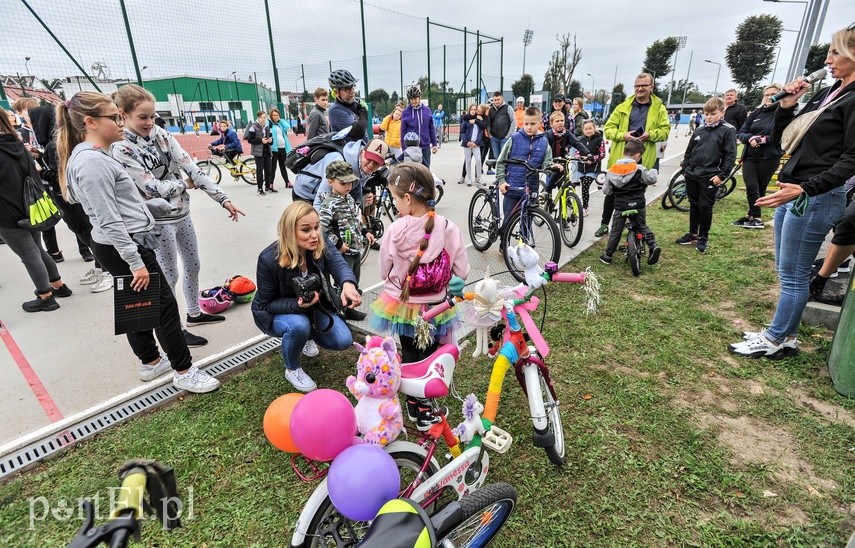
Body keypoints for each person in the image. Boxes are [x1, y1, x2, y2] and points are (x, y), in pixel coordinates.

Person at [57, 92, 220, 393]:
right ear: (90, 122)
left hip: (121, 241)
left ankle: (150, 361)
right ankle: (184, 370)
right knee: (164, 307)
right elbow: (109, 219)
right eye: (113, 117)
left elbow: (121, 204)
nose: (120, 122)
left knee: (137, 304)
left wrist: (154, 208)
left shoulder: (96, 154)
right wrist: (135, 262)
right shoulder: (91, 162)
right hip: (124, 244)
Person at [729, 25, 855, 359]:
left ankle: (776, 339)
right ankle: (786, 332)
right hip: (796, 191)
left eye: (835, 52)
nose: (827, 59)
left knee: (795, 274)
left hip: (814, 194)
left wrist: (806, 187)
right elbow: (782, 136)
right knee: (788, 271)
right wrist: (787, 105)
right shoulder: (830, 92)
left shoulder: (854, 99)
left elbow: (852, 157)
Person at [112, 84, 245, 348]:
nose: (150, 122)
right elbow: (150, 187)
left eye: (152, 116)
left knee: (193, 264)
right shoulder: (121, 148)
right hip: (156, 222)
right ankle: (175, 330)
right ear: (123, 114)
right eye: (142, 117)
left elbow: (192, 169)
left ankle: (194, 313)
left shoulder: (162, 135)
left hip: (182, 214)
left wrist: (223, 199)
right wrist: (183, 184)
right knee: (168, 277)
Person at [368, 163, 470, 428]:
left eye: (393, 197)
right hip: (437, 304)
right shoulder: (448, 227)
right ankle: (423, 403)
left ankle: (415, 406)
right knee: (431, 353)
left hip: (404, 305)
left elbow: (383, 272)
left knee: (411, 352)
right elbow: (463, 270)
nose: (394, 204)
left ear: (407, 199)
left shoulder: (394, 231)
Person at [252, 201, 362, 392]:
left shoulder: (320, 240)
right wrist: (299, 305)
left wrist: (347, 283)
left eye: (317, 227)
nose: (314, 235)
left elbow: (338, 263)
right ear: (289, 231)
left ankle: (307, 336)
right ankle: (292, 368)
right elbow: (268, 303)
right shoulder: (268, 259)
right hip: (274, 312)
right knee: (298, 325)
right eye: (306, 229)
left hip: (312, 305)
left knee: (342, 340)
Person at [0, 106, 72, 312]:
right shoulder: (16, 144)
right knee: (37, 250)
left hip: (7, 213)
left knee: (29, 254)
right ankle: (58, 285)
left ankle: (45, 296)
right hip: (31, 207)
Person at [598, 73, 670, 238]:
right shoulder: (623, 106)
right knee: (612, 192)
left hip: (644, 156)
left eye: (644, 85)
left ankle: (634, 225)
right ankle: (604, 224)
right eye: (637, 85)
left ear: (651, 87)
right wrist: (624, 135)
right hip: (622, 155)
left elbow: (666, 130)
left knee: (638, 192)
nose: (640, 88)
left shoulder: (659, 108)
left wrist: (649, 135)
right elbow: (608, 129)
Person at [675, 96, 737, 253]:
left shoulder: (728, 131)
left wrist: (722, 175)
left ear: (722, 113)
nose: (709, 117)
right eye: (707, 114)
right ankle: (692, 234)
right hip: (692, 174)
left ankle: (703, 237)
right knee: (694, 205)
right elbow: (689, 151)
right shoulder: (699, 130)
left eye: (713, 114)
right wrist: (686, 168)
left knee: (705, 207)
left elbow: (730, 156)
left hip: (710, 176)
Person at [318, 161, 374, 321]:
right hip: (343, 252)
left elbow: (355, 220)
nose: (348, 186)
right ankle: (338, 312)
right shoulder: (329, 203)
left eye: (350, 182)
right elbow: (323, 229)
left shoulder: (348, 198)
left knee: (354, 281)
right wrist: (338, 245)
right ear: (330, 181)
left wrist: (365, 232)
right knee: (342, 284)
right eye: (343, 183)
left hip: (356, 249)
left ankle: (348, 309)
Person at [598, 140, 661, 265]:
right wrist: (654, 170)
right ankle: (653, 245)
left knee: (616, 230)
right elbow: (651, 179)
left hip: (621, 206)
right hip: (638, 204)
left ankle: (608, 255)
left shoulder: (612, 170)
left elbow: (606, 191)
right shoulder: (639, 169)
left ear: (623, 152)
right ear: (638, 156)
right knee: (642, 226)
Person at [496, 106, 557, 230]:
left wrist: (553, 167)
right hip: (512, 187)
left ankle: (525, 245)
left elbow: (547, 165)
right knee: (508, 220)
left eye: (533, 124)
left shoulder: (544, 143)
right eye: (526, 123)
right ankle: (504, 244)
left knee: (527, 223)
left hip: (531, 190)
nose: (529, 127)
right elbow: (501, 161)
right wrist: (501, 181)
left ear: (539, 123)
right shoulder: (514, 138)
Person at [733, 84, 784, 229]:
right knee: (751, 186)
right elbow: (741, 132)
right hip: (750, 156)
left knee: (760, 188)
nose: (769, 97)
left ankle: (754, 216)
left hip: (769, 157)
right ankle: (754, 216)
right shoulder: (757, 112)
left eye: (773, 94)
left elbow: (780, 136)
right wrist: (750, 138)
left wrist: (762, 140)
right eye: (766, 94)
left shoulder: (780, 114)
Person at [293, 137, 387, 211]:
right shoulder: (337, 163)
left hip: (330, 196)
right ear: (362, 152)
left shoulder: (362, 169)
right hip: (306, 192)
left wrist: (363, 200)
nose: (371, 165)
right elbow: (320, 202)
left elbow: (354, 193)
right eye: (369, 158)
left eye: (376, 163)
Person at [543, 110, 590, 194]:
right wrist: (550, 162)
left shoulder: (566, 133)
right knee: (550, 186)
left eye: (562, 120)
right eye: (557, 121)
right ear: (551, 124)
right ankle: (546, 194)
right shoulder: (547, 135)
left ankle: (567, 199)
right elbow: (544, 149)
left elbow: (576, 143)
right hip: (551, 162)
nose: (560, 123)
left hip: (562, 161)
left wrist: (587, 154)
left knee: (563, 185)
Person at [400, 85, 437, 168]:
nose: (413, 101)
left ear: (419, 97)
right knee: (413, 172)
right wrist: (403, 148)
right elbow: (403, 131)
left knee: (426, 171)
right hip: (411, 148)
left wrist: (434, 144)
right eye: (411, 99)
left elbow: (431, 128)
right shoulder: (405, 112)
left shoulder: (427, 110)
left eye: (415, 98)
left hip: (425, 147)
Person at [327, 69, 370, 143]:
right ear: (336, 92)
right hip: (349, 153)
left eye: (353, 86)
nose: (352, 91)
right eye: (347, 88)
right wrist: (364, 111)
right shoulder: (335, 110)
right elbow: (359, 132)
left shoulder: (355, 104)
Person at [575, 119, 607, 215]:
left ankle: (585, 207)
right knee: (583, 188)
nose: (588, 131)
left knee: (585, 186)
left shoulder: (599, 139)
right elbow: (577, 153)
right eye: (586, 129)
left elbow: (602, 154)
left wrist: (592, 158)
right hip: (582, 168)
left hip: (593, 169)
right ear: (583, 130)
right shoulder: (580, 140)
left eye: (590, 128)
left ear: (594, 128)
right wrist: (582, 158)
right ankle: (583, 205)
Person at [245, 110, 273, 195]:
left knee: (268, 170)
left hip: (267, 150)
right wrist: (261, 141)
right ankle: (260, 188)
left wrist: (270, 141)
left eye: (264, 117)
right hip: (258, 152)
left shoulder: (267, 127)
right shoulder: (253, 127)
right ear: (258, 118)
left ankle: (268, 186)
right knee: (260, 171)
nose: (263, 119)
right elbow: (250, 140)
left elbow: (271, 140)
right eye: (261, 117)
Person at [459, 103, 487, 187]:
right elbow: (462, 131)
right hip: (467, 143)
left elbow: (481, 131)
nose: (473, 111)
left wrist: (477, 142)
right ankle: (469, 179)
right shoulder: (466, 119)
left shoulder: (478, 119)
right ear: (469, 110)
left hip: (476, 144)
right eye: (472, 109)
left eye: (475, 109)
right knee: (468, 161)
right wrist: (466, 141)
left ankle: (478, 178)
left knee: (478, 160)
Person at [488, 92, 516, 172]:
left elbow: (513, 122)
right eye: (495, 100)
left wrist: (508, 135)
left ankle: (505, 177)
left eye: (498, 99)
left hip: (505, 138)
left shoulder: (508, 108)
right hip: (494, 139)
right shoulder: (491, 110)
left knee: (504, 159)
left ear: (502, 99)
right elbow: (488, 123)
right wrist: (490, 135)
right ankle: (498, 178)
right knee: (496, 159)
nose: (497, 101)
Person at [268, 107, 292, 190]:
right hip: (274, 149)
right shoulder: (269, 124)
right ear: (271, 116)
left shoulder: (279, 124)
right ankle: (270, 184)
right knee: (273, 167)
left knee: (283, 166)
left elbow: (287, 127)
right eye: (273, 115)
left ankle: (287, 182)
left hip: (282, 148)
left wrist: (280, 120)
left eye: (277, 115)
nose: (275, 117)